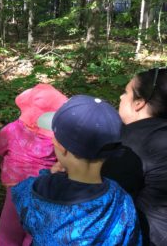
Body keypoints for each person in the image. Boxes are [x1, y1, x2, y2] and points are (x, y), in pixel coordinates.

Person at [12, 95, 142, 245]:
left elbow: (17, 195)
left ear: (60, 146)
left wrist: (49, 176)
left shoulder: (33, 191)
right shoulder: (121, 201)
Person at [0, 84, 67, 246]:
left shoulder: (12, 130)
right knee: (32, 232)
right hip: (42, 190)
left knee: (8, 232)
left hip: (15, 188)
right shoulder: (56, 140)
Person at [102, 67, 167, 246]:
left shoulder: (128, 143)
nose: (121, 97)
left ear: (139, 103)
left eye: (126, 92)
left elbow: (104, 197)